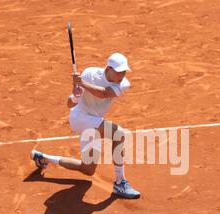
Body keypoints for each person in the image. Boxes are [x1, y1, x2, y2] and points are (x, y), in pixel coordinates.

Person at [31, 53, 140, 199]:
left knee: (87, 169)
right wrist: (76, 95)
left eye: (124, 71)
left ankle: (43, 158)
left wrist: (82, 83)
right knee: (118, 134)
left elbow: (104, 94)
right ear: (108, 69)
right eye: (119, 71)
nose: (122, 74)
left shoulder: (123, 83)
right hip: (80, 118)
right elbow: (70, 104)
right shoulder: (89, 74)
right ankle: (120, 183)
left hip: (93, 122)